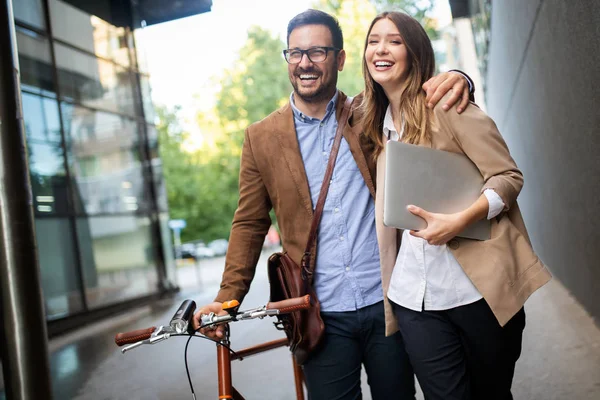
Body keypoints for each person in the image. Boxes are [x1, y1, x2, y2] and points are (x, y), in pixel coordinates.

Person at [192, 9, 474, 400]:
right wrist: (227, 298)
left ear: (340, 59)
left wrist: (460, 78)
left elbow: (416, 97)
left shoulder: (371, 114)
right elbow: (249, 223)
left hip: (388, 303)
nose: (305, 63)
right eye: (295, 53)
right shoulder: (261, 138)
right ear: (288, 59)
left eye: (318, 52)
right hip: (317, 314)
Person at [360, 11, 552, 400]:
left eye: (395, 41)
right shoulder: (371, 122)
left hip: (477, 294)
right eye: (373, 40)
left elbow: (508, 177)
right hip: (414, 298)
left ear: (415, 52)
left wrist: (461, 220)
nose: (381, 49)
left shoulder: (446, 105)